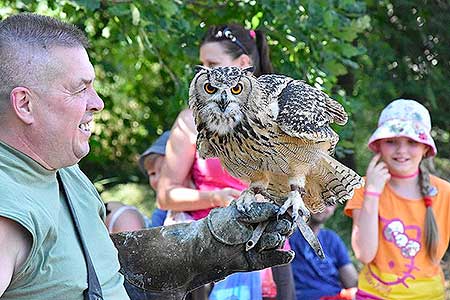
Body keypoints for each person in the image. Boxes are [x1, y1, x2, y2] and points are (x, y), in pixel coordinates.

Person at [0, 13, 295, 299]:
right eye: (80, 89)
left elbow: (99, 266)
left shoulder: (63, 171)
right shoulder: (8, 210)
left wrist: (202, 245)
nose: (97, 102)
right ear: (24, 104)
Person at [157, 24, 295, 300]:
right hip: (205, 251)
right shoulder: (190, 122)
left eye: (212, 63)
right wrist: (217, 198)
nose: (204, 72)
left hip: (268, 249)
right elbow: (165, 195)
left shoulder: (276, 119)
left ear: (243, 64)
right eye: (202, 65)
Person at [344, 99, 450, 299]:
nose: (401, 151)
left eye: (412, 142)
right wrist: (373, 192)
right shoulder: (363, 187)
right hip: (375, 294)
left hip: (429, 295)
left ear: (426, 148)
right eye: (391, 141)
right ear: (378, 146)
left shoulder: (445, 193)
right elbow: (364, 254)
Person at [290, 206, 358, 300]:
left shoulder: (332, 239)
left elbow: (352, 282)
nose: (322, 206)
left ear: (334, 209)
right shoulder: (288, 236)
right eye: (319, 199)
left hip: (335, 295)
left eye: (329, 203)